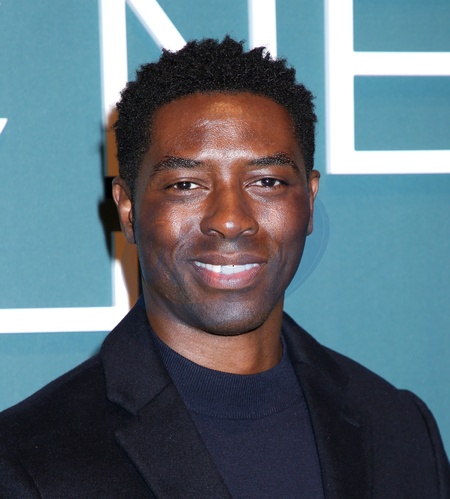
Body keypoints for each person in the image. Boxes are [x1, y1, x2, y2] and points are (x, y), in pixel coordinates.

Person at [0, 36, 449, 498]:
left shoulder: (400, 430)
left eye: (267, 181)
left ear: (310, 201)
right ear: (128, 210)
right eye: (186, 185)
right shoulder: (26, 463)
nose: (231, 220)